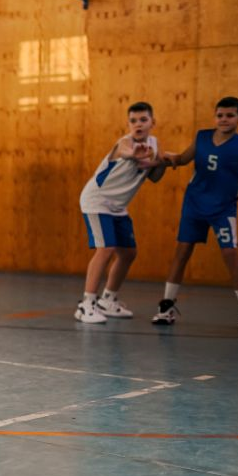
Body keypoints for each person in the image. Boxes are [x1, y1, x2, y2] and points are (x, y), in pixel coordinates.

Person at [152, 96, 238, 332]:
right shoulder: (202, 137)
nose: (224, 120)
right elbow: (183, 160)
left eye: (230, 115)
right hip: (194, 204)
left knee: (230, 254)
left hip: (223, 208)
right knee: (182, 253)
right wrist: (161, 159)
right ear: (215, 116)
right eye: (220, 115)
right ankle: (166, 306)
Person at [75, 102, 166, 323]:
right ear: (128, 124)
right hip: (97, 201)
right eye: (133, 121)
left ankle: (108, 300)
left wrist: (162, 161)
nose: (138, 125)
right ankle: (86, 304)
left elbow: (154, 177)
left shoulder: (154, 144)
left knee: (128, 253)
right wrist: (135, 153)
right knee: (105, 249)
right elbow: (127, 152)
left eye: (143, 120)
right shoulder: (124, 143)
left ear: (152, 123)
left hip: (117, 207)